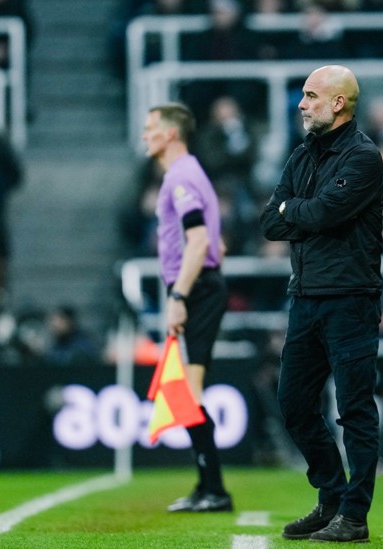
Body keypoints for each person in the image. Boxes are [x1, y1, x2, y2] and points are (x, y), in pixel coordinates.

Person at [259, 65, 383, 543]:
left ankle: (354, 516)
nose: (301, 104)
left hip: (351, 299)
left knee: (354, 409)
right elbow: (272, 221)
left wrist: (298, 209)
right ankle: (331, 495)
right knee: (292, 403)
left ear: (338, 103)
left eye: (310, 96)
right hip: (305, 298)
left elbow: (325, 212)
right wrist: (301, 212)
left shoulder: (363, 158)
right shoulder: (303, 155)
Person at [142, 102, 232, 513]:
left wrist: (179, 296)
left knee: (189, 393)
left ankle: (214, 490)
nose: (145, 135)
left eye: (150, 128)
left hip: (196, 291)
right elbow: (216, 242)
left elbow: (198, 241)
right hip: (201, 287)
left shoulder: (179, 177)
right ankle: (208, 486)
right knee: (184, 391)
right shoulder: (191, 174)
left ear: (170, 134)